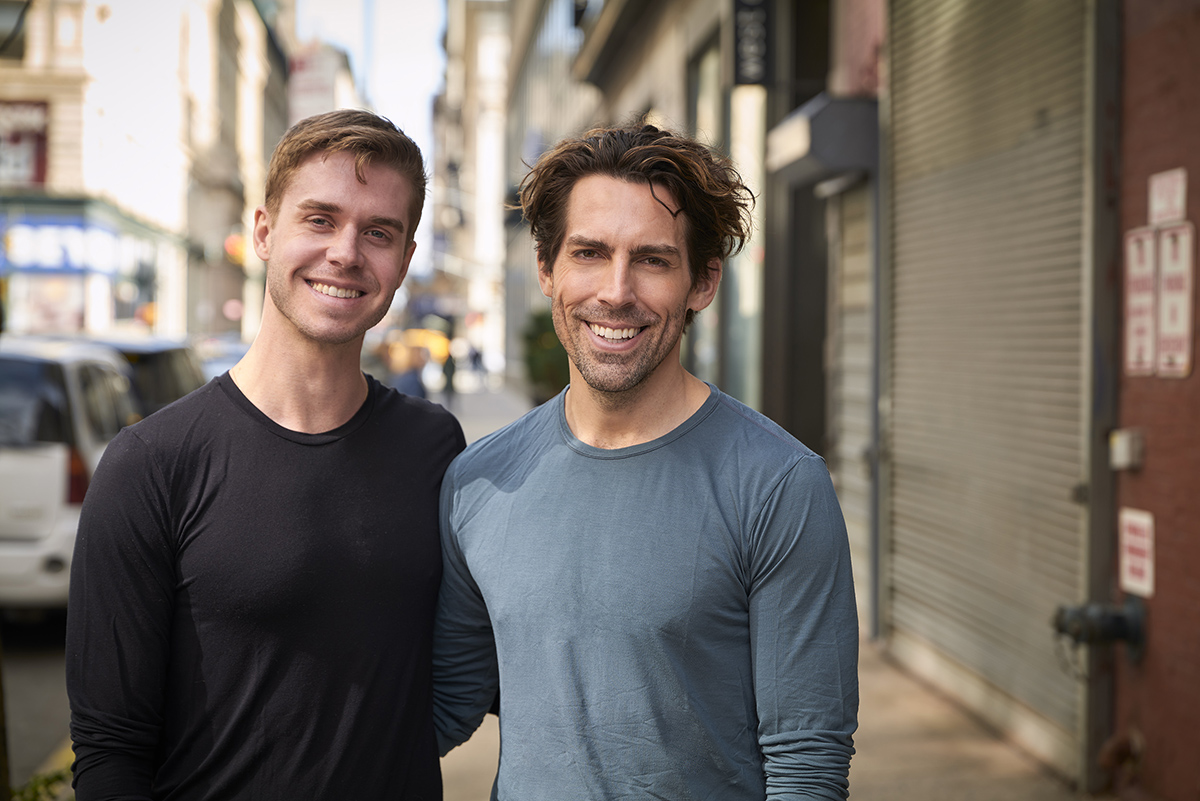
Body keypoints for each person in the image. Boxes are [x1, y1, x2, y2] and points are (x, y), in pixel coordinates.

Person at [433, 122, 859, 799]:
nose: (616, 290)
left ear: (703, 281)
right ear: (547, 269)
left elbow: (806, 763)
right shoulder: (477, 480)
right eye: (590, 253)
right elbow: (446, 703)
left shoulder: (779, 485)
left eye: (654, 260)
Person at [66, 109, 465, 800]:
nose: (346, 251)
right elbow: (111, 752)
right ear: (263, 232)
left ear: (403, 259)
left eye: (378, 232)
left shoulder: (434, 446)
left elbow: (457, 671)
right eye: (320, 218)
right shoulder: (151, 463)